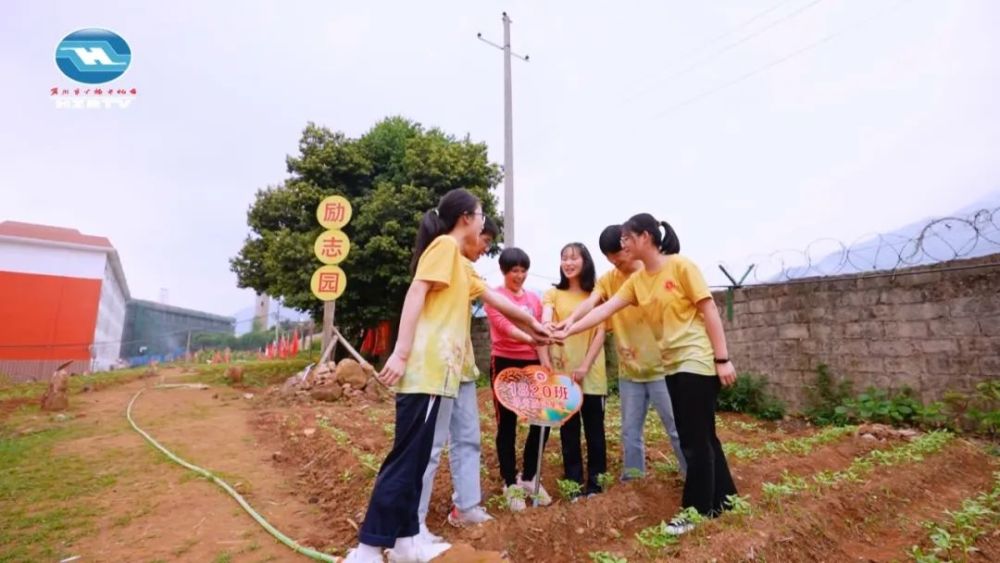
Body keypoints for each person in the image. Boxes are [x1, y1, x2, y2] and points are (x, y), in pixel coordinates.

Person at [345, 190, 553, 563]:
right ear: (466, 218)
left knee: (418, 455)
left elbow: (498, 300)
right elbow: (416, 292)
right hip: (425, 371)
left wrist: (537, 328)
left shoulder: (461, 264)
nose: (484, 223)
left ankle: (408, 541)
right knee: (406, 461)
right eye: (482, 216)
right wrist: (402, 351)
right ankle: (368, 548)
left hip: (440, 376)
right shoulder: (443, 246)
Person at [556, 213, 737, 534]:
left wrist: (722, 358)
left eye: (626, 238)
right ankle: (725, 500)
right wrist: (566, 328)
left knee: (694, 441)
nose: (622, 245)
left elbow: (708, 308)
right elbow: (602, 310)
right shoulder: (637, 282)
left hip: (694, 359)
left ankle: (695, 512)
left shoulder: (681, 266)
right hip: (672, 364)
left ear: (645, 237)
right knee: (704, 436)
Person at [556, 225, 686, 480]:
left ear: (630, 247)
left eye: (618, 254)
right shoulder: (609, 279)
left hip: (663, 366)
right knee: (629, 431)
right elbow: (591, 304)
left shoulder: (651, 274)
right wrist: (569, 322)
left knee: (675, 427)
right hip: (630, 371)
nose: (616, 261)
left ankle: (690, 474)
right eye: (609, 257)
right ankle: (634, 479)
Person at [417, 217, 499, 541]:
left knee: (468, 439)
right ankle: (414, 523)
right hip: (440, 368)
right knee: (431, 446)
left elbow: (495, 302)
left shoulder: (467, 269)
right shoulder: (445, 258)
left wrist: (534, 331)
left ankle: (466, 507)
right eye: (485, 240)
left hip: (462, 368)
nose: (485, 248)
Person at [484, 246, 553, 511]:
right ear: (504, 271)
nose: (520, 275)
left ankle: (529, 477)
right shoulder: (494, 297)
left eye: (523, 270)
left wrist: (544, 361)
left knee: (541, 419)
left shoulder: (534, 300)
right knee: (507, 422)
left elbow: (541, 335)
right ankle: (509, 481)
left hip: (532, 363)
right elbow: (505, 328)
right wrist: (532, 338)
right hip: (504, 361)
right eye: (515, 270)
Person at [541, 243, 608, 497]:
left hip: (591, 373)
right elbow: (546, 317)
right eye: (564, 259)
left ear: (585, 262)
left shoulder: (597, 296)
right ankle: (572, 484)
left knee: (595, 431)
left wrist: (584, 366)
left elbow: (600, 333)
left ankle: (596, 484)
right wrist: (547, 326)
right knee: (568, 433)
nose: (568, 263)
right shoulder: (552, 294)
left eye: (573, 258)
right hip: (563, 375)